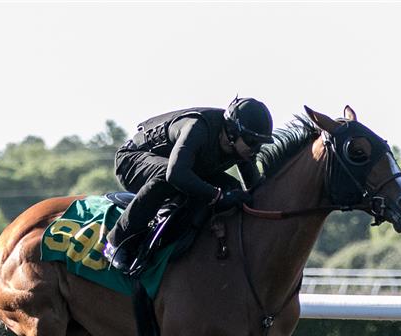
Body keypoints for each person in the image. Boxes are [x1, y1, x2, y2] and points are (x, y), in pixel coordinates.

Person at [102, 97, 274, 272]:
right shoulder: (198, 127)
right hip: (131, 160)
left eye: (260, 144)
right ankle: (117, 243)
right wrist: (218, 196)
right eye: (252, 142)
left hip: (181, 167)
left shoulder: (242, 147)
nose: (255, 150)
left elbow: (255, 191)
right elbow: (175, 174)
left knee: (233, 188)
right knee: (167, 177)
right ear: (232, 132)